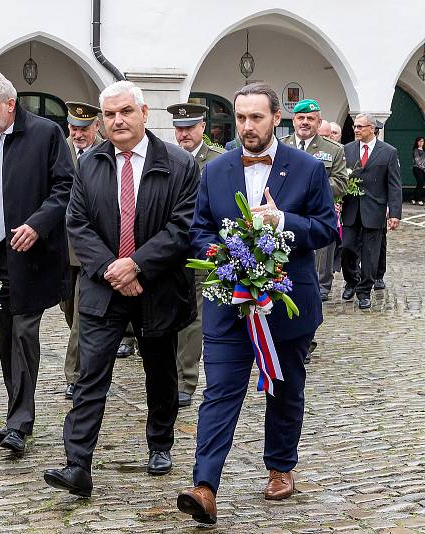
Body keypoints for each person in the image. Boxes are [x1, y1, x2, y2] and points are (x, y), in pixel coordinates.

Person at [176, 83, 338, 525]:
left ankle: (280, 467)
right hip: (229, 302)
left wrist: (282, 221)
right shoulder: (217, 169)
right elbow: (200, 229)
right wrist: (223, 253)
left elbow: (327, 229)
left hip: (288, 303)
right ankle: (205, 486)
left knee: (285, 389)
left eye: (256, 118)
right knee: (220, 391)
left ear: (276, 117)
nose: (247, 127)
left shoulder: (306, 168)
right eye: (241, 118)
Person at [43, 81, 198, 497]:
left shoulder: (179, 164)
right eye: (109, 114)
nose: (117, 121)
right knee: (90, 375)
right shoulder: (90, 163)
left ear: (144, 113)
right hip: (103, 286)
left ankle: (160, 443)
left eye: (125, 111)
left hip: (158, 287)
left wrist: (137, 265)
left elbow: (181, 227)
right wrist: (112, 267)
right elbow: (78, 223)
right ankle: (78, 463)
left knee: (160, 373)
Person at [0, 71, 74, 454]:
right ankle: (16, 410)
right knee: (5, 335)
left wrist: (37, 224)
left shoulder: (46, 134)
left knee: (24, 333)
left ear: (10, 104)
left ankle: (19, 421)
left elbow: (66, 187)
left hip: (33, 255)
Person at [166, 102, 225, 407]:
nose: (183, 134)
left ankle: (185, 378)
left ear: (202, 127)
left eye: (189, 128)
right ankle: (166, 373)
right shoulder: (167, 157)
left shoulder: (217, 161)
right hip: (168, 250)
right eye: (179, 128)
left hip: (198, 250)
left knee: (193, 317)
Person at [280, 99, 348, 303]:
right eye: (301, 118)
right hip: (285, 213)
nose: (305, 122)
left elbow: (341, 182)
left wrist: (311, 191)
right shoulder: (281, 146)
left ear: (319, 123)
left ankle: (320, 289)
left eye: (311, 118)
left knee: (319, 255)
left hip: (316, 214)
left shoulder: (334, 149)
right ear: (294, 121)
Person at [61, 101, 103, 400]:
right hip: (61, 248)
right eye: (74, 128)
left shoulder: (106, 152)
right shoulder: (60, 151)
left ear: (96, 128)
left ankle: (75, 375)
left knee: (81, 317)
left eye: (84, 129)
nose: (78, 134)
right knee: (68, 308)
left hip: (91, 247)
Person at [340, 113, 402, 310]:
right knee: (347, 247)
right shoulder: (346, 149)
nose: (356, 130)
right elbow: (339, 178)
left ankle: (364, 291)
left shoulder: (388, 152)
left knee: (370, 253)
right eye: (355, 126)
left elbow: (394, 184)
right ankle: (351, 281)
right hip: (350, 208)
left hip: (375, 209)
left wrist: (394, 212)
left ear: (372, 129)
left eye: (360, 126)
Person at [412, 137, 425, 205]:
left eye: (422, 141)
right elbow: (418, 161)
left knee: (420, 184)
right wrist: (423, 168)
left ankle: (414, 198)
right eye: (419, 141)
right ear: (417, 142)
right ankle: (419, 199)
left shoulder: (424, 150)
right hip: (417, 169)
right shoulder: (416, 150)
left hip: (423, 169)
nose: (421, 143)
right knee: (420, 182)